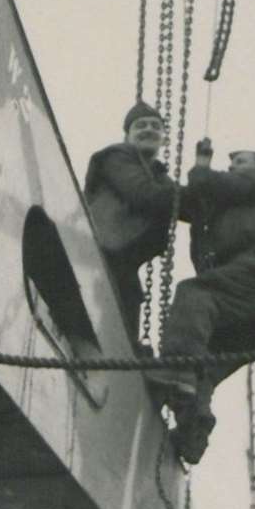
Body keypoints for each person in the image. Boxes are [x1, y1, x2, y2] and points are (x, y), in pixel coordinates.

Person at [149, 140, 255, 462]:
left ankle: (179, 370)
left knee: (195, 293)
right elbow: (180, 201)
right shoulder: (227, 203)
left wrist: (202, 163)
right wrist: (157, 177)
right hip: (250, 303)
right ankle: (192, 431)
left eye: (240, 161)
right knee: (208, 367)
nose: (232, 167)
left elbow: (205, 182)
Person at [84, 101, 189, 345]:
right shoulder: (117, 157)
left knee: (124, 332)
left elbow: (186, 205)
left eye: (155, 126)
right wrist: (201, 189)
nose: (148, 129)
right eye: (140, 125)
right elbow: (143, 194)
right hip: (97, 256)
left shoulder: (160, 177)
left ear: (163, 138)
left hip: (122, 268)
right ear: (127, 136)